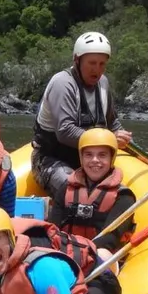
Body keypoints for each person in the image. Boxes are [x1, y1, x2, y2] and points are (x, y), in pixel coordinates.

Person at [31, 32, 133, 214]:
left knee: (118, 193)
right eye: (92, 63)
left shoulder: (103, 84)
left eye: (102, 64)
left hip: (89, 161)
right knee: (74, 190)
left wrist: (125, 139)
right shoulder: (62, 84)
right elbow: (65, 131)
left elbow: (112, 122)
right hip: (50, 160)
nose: (97, 69)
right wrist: (108, 139)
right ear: (77, 60)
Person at [47, 127, 136, 255]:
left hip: (100, 259)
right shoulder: (65, 189)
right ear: (81, 158)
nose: (95, 160)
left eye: (102, 155)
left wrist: (79, 254)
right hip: (66, 253)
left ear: (112, 158)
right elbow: (53, 229)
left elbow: (110, 240)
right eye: (88, 154)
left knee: (103, 254)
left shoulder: (124, 197)